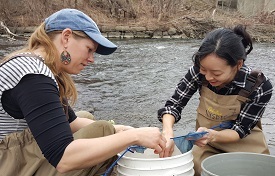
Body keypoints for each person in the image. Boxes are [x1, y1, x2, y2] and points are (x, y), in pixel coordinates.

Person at [0, 8, 166, 176]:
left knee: (89, 119)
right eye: (89, 49)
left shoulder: (40, 68)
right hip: (7, 165)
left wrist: (121, 129)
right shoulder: (33, 76)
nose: (92, 59)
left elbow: (71, 122)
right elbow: (64, 158)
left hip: (15, 159)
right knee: (102, 129)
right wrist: (134, 137)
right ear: (66, 37)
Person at [157, 25, 273, 176]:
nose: (208, 77)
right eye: (204, 70)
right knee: (192, 168)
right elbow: (173, 106)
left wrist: (213, 135)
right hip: (207, 145)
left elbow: (240, 130)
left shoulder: (259, 85)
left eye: (216, 73)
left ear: (238, 64)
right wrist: (167, 132)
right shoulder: (197, 73)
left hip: (245, 145)